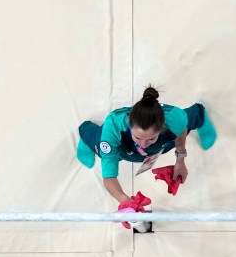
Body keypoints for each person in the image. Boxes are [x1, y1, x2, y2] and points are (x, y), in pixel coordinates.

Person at [75, 86, 216, 210]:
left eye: (150, 138)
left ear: (161, 128)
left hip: (159, 146)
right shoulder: (112, 129)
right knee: (99, 146)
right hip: (123, 148)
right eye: (138, 138)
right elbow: (109, 177)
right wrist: (124, 200)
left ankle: (200, 114)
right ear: (129, 125)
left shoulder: (175, 118)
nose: (143, 144)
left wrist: (180, 159)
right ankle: (86, 133)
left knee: (189, 119)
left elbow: (181, 130)